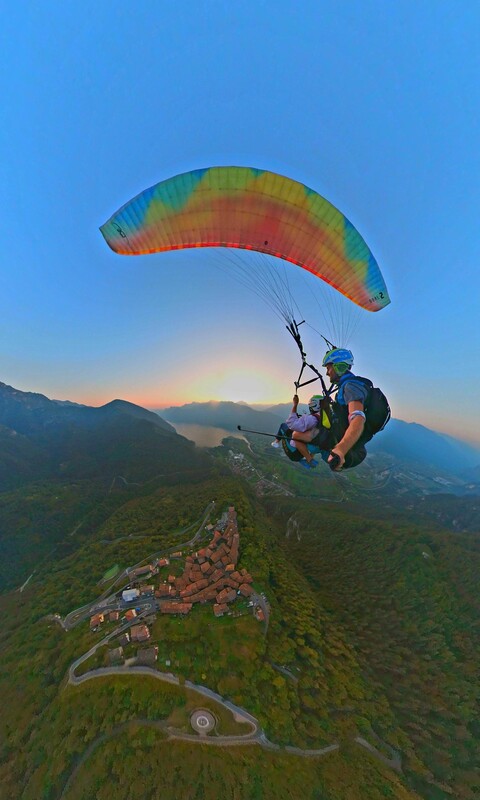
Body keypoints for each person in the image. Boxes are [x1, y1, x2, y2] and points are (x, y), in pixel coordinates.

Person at [322, 348, 369, 471]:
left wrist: (341, 450)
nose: (327, 373)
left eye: (328, 368)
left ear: (339, 367)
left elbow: (358, 418)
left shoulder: (351, 387)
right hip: (348, 445)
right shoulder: (348, 385)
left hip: (347, 450)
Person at [272, 393, 332, 469]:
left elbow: (291, 423)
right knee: (303, 436)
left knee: (283, 426)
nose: (310, 406)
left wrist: (295, 405)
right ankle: (309, 459)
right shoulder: (326, 418)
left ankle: (276, 442)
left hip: (293, 452)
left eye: (311, 404)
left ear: (316, 405)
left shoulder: (312, 419)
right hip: (311, 448)